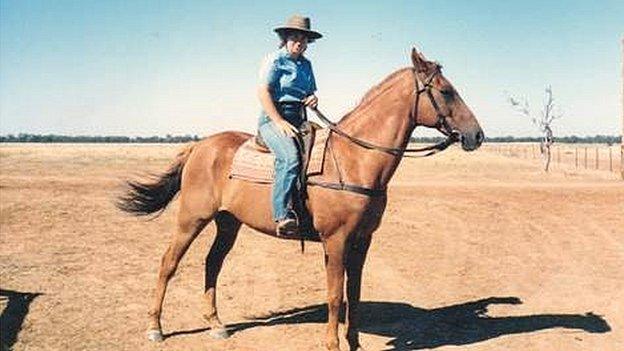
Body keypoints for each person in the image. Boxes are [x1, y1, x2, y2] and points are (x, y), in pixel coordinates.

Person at [257, 14, 322, 236]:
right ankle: (282, 214)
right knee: (290, 158)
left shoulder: (306, 65)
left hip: (300, 118)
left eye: (304, 39)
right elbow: (263, 92)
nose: (299, 43)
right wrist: (279, 121)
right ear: (285, 38)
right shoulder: (275, 60)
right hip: (273, 117)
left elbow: (309, 92)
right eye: (295, 37)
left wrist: (312, 98)